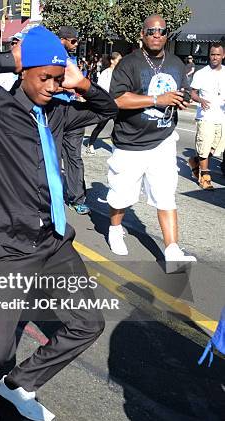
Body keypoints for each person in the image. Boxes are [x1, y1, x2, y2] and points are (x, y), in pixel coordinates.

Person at [0, 25, 112, 421]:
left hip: (55, 244)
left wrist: (82, 82)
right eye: (44, 77)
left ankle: (18, 385)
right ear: (24, 71)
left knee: (88, 323)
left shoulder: (58, 111)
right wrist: (10, 57)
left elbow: (108, 112)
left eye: (57, 78)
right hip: (11, 249)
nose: (52, 86)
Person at [107, 14, 196, 265]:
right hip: (131, 143)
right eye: (151, 31)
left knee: (166, 195)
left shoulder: (176, 63)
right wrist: (158, 100)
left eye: (162, 31)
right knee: (121, 195)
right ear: (142, 35)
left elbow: (184, 88)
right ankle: (115, 229)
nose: (157, 35)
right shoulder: (129, 64)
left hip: (163, 140)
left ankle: (172, 249)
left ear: (167, 35)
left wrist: (184, 96)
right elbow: (118, 100)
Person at [57, 26, 90, 215]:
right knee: (52, 156)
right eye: (73, 41)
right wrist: (66, 89)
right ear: (63, 39)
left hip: (74, 111)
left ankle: (77, 198)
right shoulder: (53, 58)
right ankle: (47, 194)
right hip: (54, 110)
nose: (76, 44)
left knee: (74, 157)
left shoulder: (74, 60)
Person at [188, 42, 225, 190]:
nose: (214, 57)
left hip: (221, 117)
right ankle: (205, 177)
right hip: (206, 116)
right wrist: (200, 100)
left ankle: (195, 161)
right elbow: (192, 92)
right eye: (212, 54)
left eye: (217, 54)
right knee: (204, 147)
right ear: (209, 55)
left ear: (223, 55)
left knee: (216, 148)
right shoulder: (201, 73)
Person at [86, 52, 122, 155]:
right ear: (112, 61)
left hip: (117, 104)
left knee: (119, 125)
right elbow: (102, 88)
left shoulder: (119, 73)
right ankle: (91, 144)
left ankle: (117, 145)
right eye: (118, 60)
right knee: (101, 125)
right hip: (108, 104)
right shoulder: (105, 73)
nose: (120, 62)